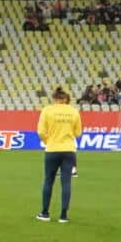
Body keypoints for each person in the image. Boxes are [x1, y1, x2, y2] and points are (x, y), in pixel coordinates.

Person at [36, 87, 83, 223]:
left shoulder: (47, 110)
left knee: (48, 181)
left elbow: (41, 132)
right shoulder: (73, 111)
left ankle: (45, 213)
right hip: (69, 150)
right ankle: (63, 215)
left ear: (54, 98)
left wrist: (48, 141)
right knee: (66, 182)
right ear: (66, 99)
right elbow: (78, 133)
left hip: (52, 149)